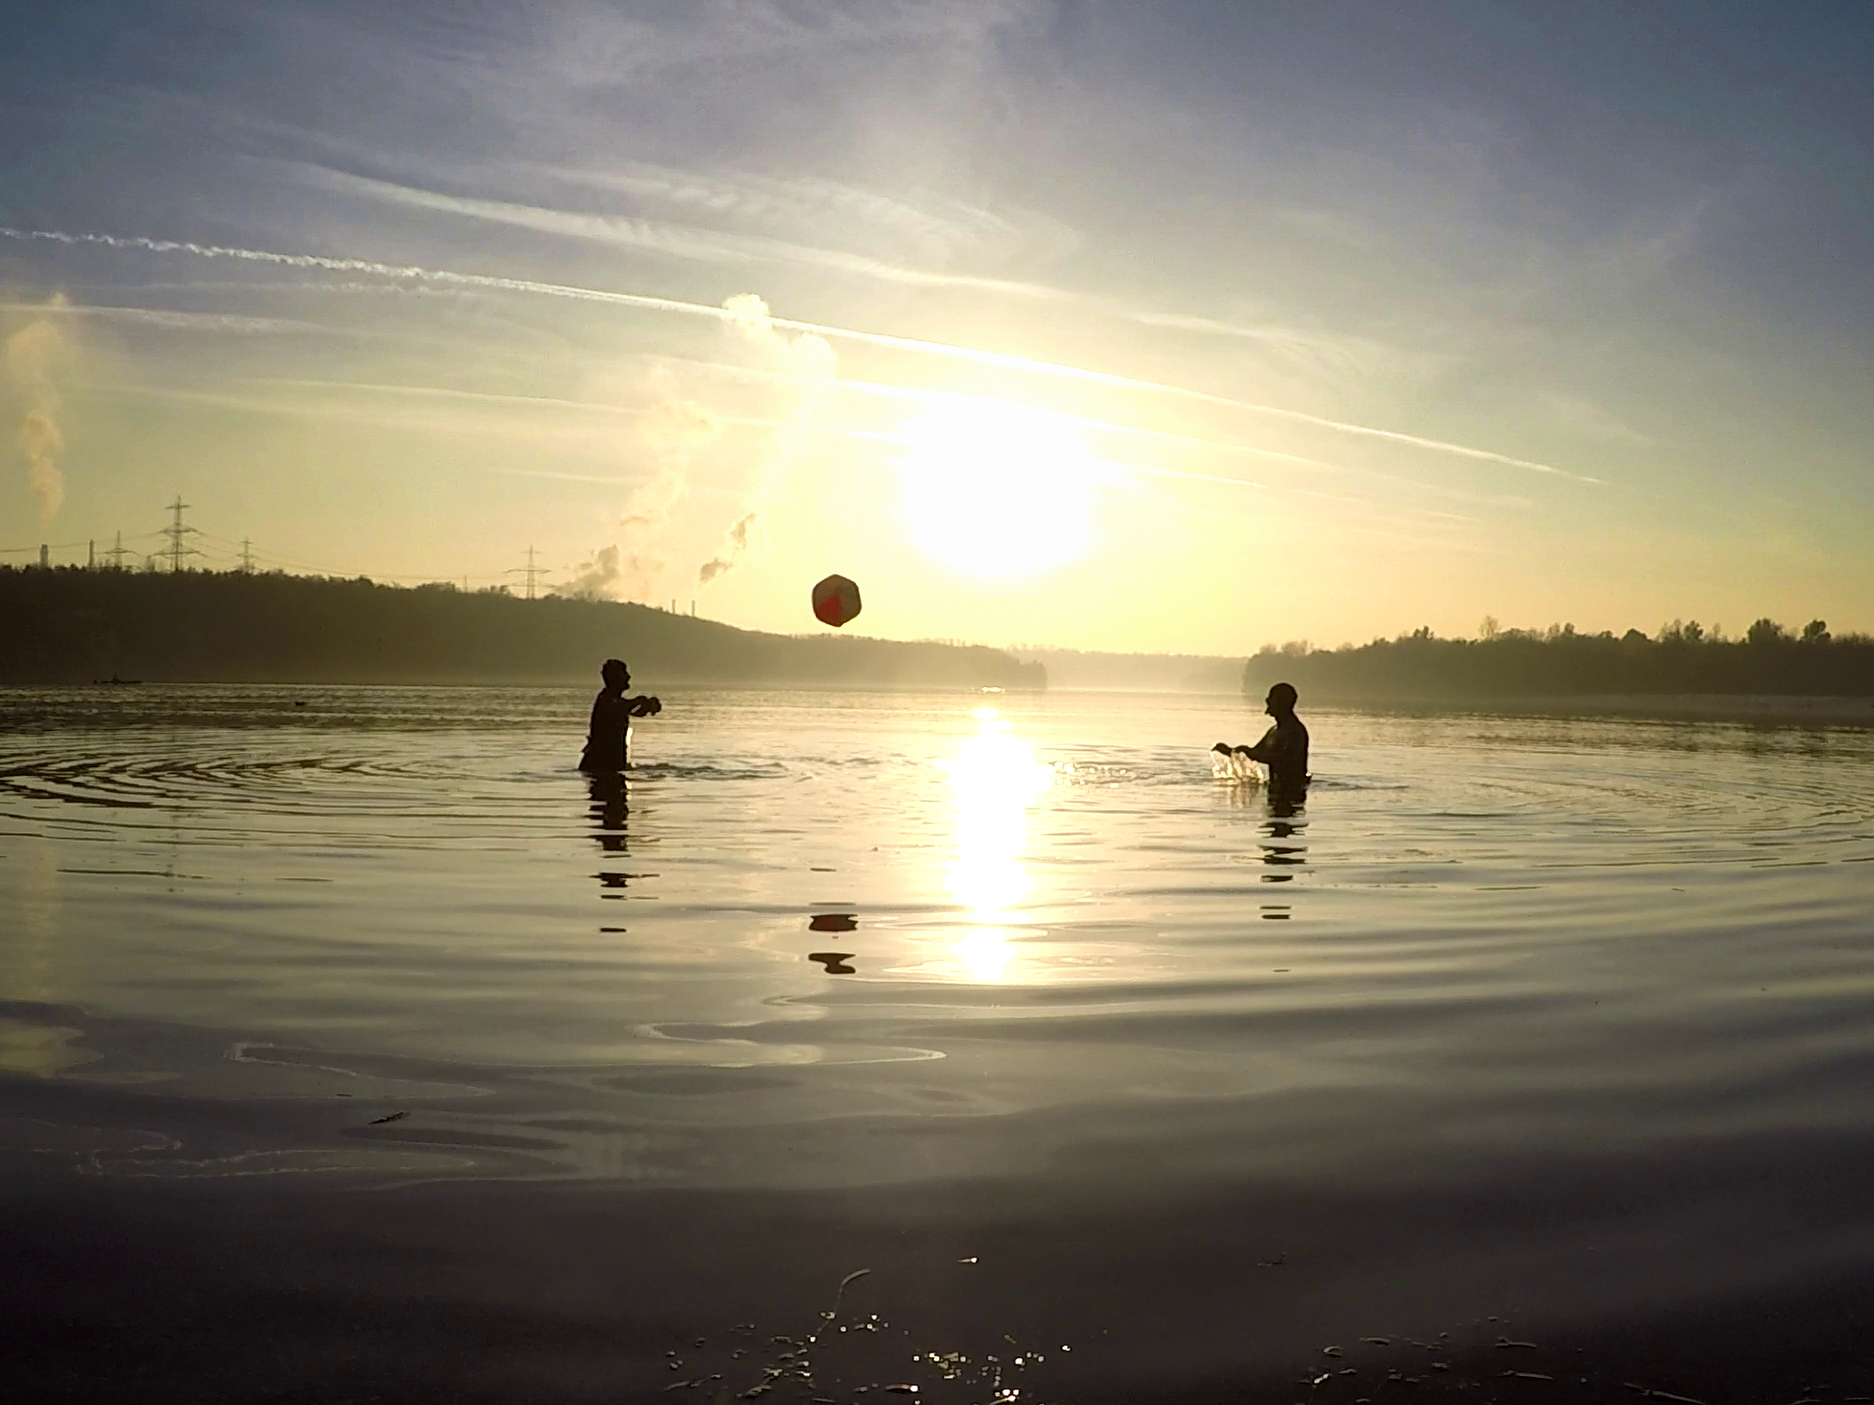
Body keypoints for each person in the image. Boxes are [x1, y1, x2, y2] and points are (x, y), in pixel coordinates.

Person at [578, 658, 661, 772]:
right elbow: (621, 707)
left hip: (609, 765)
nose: (628, 677)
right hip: (598, 765)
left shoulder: (614, 701)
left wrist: (646, 705)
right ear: (614, 677)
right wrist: (639, 701)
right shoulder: (606, 700)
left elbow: (630, 710)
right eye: (624, 673)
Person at [1239, 681, 1309, 799]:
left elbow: (1284, 758)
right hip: (1276, 789)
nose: (1267, 701)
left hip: (1292, 792)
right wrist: (1231, 751)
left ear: (1283, 703)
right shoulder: (1274, 730)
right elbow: (1256, 752)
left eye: (1271, 698)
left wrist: (1251, 753)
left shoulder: (1295, 731)